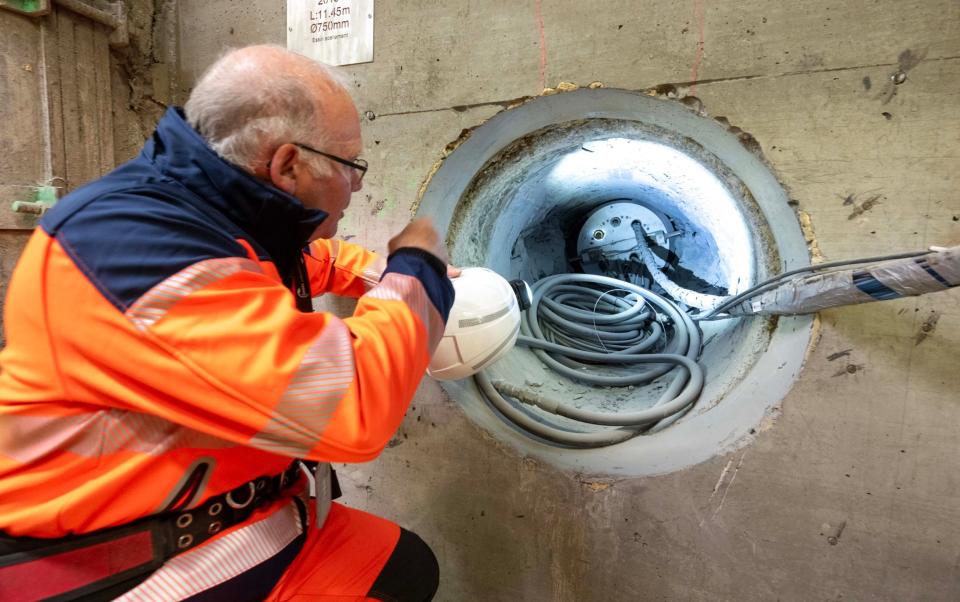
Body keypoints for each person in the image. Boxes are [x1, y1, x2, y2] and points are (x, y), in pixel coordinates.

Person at [0, 45, 454, 601]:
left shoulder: (205, 216)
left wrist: (379, 273)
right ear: (288, 164)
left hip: (219, 510)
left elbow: (310, 262)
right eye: (350, 166)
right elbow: (349, 403)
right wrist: (417, 267)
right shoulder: (126, 245)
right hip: (118, 561)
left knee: (403, 567)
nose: (357, 186)